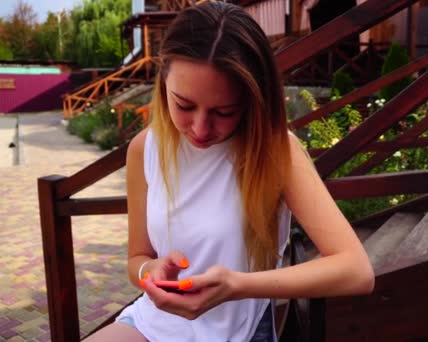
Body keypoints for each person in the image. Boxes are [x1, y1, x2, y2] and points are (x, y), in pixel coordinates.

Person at [85, 2, 374, 341]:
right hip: (154, 323)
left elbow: (356, 270)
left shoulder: (275, 151)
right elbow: (137, 258)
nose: (201, 128)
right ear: (163, 79)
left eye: (224, 112)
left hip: (238, 332)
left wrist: (237, 286)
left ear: (252, 100)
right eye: (184, 105)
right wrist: (151, 271)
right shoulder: (144, 149)